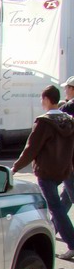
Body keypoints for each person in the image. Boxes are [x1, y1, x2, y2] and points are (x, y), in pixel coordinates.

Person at [12, 85, 74, 261]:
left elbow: (31, 149)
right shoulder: (69, 121)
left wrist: (15, 168)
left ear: (46, 99)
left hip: (46, 171)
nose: (41, 102)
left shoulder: (43, 122)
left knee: (55, 208)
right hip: (64, 169)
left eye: (42, 99)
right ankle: (53, 232)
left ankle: (71, 243)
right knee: (60, 204)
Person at [57, 76, 74, 220]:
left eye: (67, 88)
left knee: (69, 195)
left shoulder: (67, 108)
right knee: (66, 198)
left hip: (69, 161)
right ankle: (55, 226)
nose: (65, 90)